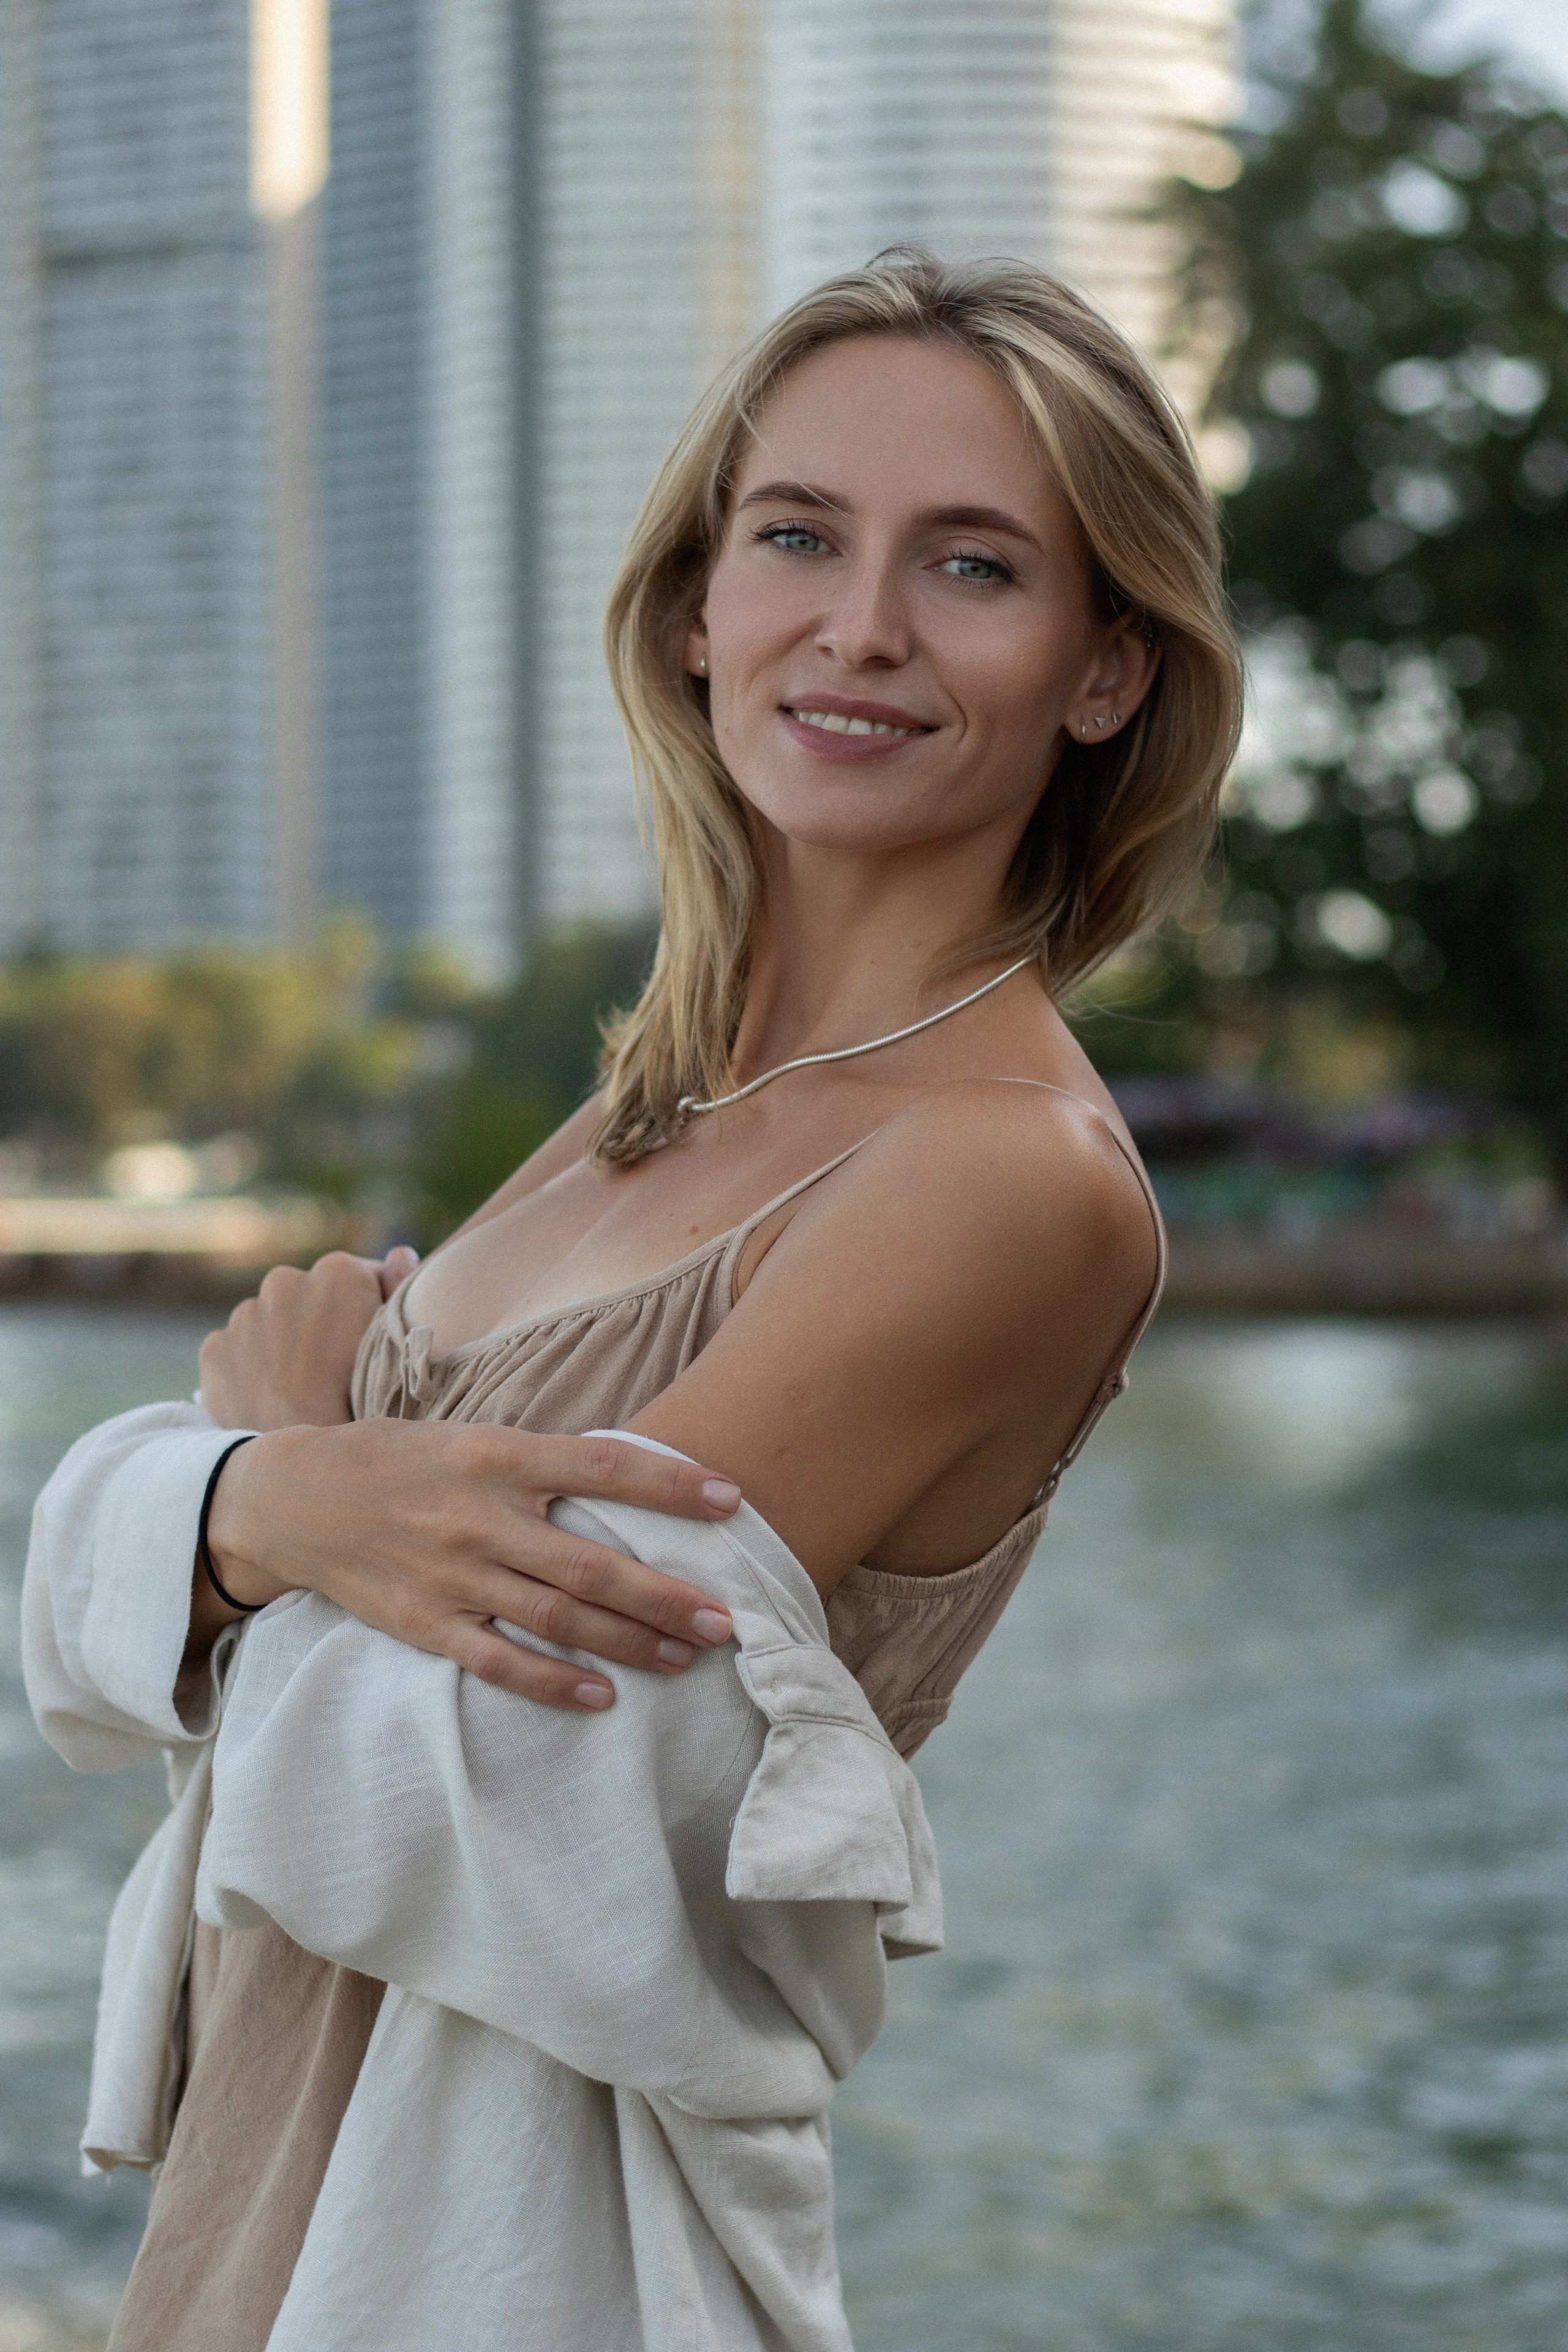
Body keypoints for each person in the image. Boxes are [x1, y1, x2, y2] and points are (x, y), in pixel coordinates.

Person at [24, 248, 1242, 2350]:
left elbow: (488, 1770)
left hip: (517, 2260)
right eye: (798, 536)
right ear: (695, 605)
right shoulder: (648, 1106)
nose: (860, 627)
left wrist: (251, 1487)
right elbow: (126, 1646)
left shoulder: (1006, 1176)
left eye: (972, 566)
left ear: (1107, 671)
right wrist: (264, 1508)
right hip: (262, 2188)